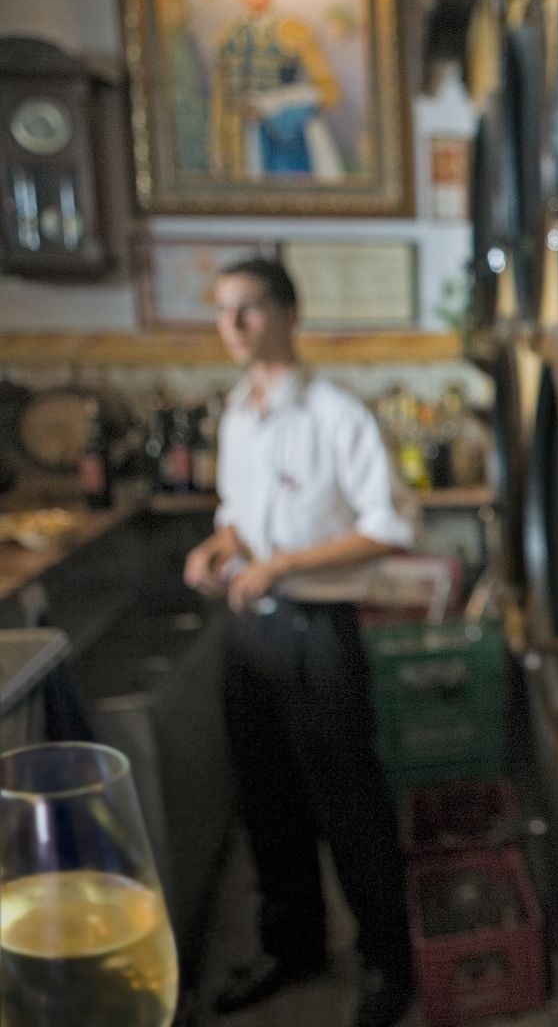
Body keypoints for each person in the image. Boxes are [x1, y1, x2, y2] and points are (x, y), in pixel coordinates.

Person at [183, 258, 413, 1026]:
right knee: (267, 804)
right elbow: (237, 512)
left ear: (288, 313)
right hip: (250, 635)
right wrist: (220, 548)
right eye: (222, 311)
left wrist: (281, 565)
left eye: (247, 309)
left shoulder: (337, 415)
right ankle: (295, 947)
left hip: (318, 633)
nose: (233, 326)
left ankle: (388, 962)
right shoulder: (237, 414)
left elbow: (387, 528)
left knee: (350, 807)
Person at [210, 0, 344, 180]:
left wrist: (272, 107)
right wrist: (218, 148)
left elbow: (327, 90)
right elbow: (221, 99)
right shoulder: (228, 37)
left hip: (282, 139)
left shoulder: (293, 31)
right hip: (240, 139)